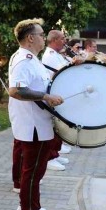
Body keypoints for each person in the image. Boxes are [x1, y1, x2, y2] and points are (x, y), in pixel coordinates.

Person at [8, 18, 63, 210]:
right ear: (30, 38)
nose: (43, 37)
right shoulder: (24, 60)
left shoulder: (31, 59)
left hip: (34, 124)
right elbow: (15, 91)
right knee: (33, 172)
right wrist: (46, 96)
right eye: (41, 34)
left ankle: (25, 207)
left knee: (31, 171)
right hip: (33, 126)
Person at [41, 30, 84, 170]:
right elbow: (61, 72)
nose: (64, 41)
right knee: (53, 127)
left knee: (57, 127)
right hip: (54, 94)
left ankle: (55, 153)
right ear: (54, 40)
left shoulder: (57, 55)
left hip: (60, 93)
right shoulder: (50, 56)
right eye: (62, 39)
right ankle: (49, 158)